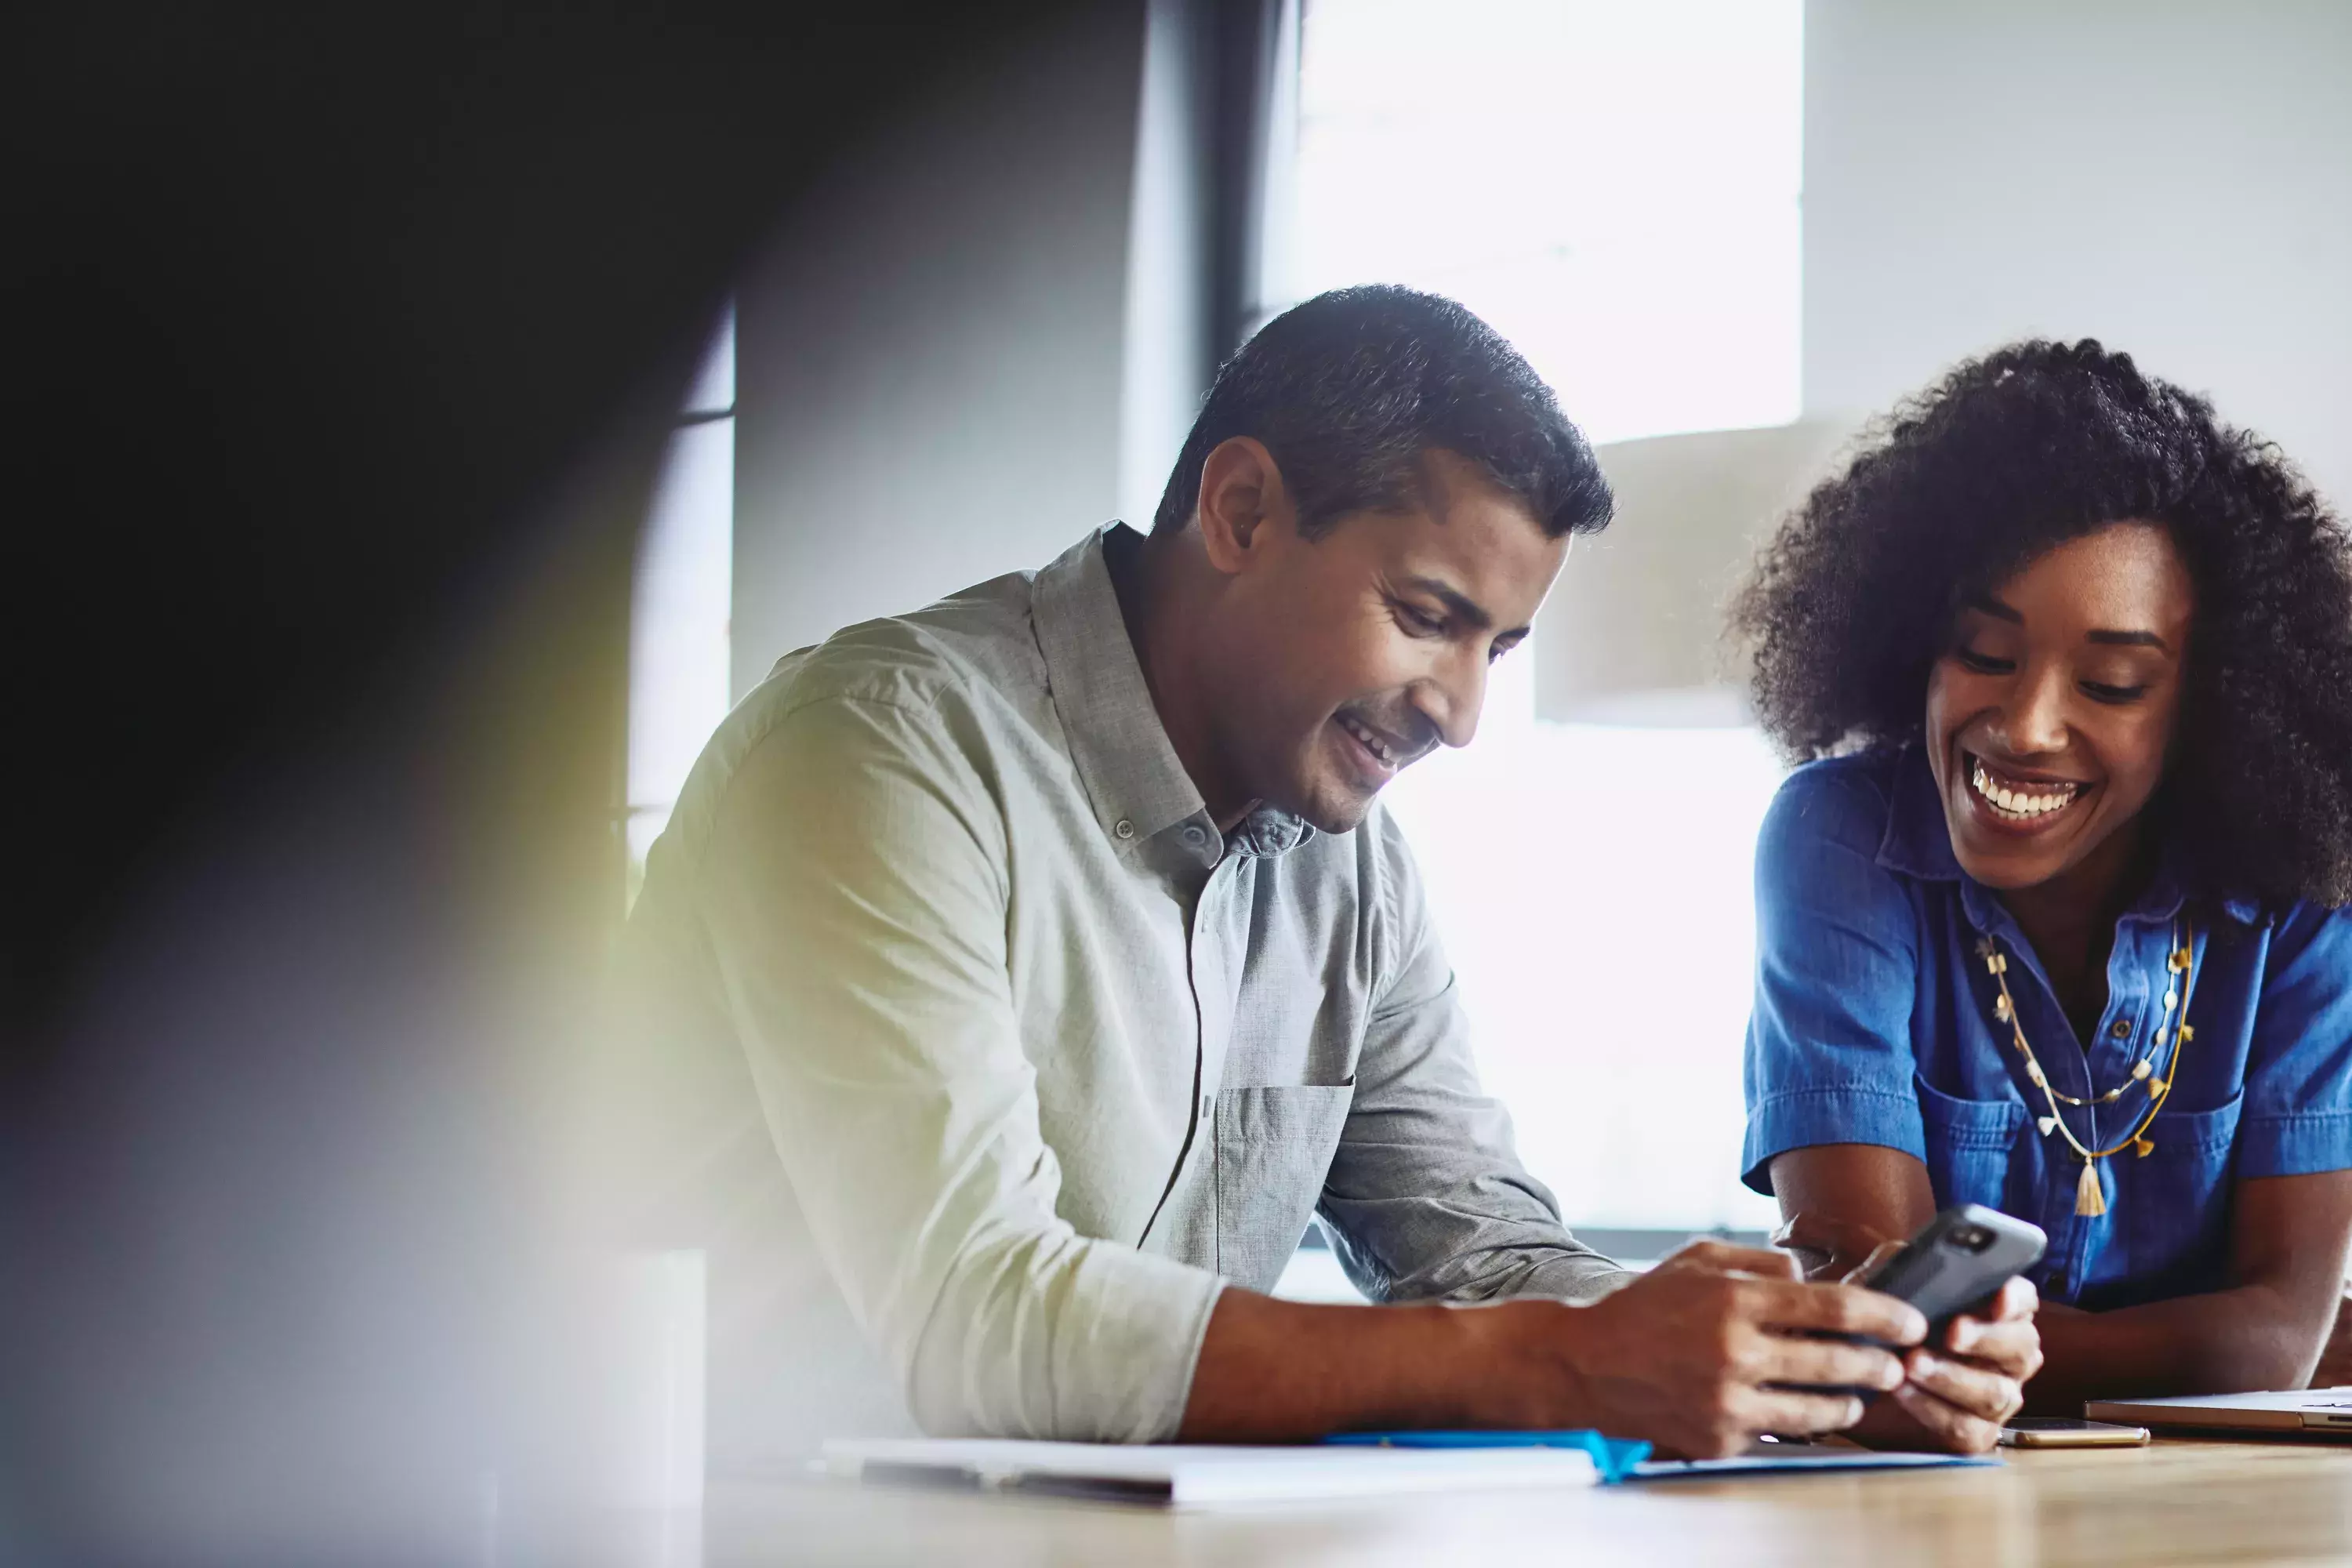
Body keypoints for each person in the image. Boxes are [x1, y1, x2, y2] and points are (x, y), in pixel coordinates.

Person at [604, 285, 2036, 1465]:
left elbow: (1477, 1250)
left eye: (1501, 650)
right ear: (1238, 511)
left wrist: (1812, 1353)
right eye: (1428, 617)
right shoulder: (877, 752)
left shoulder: (1351, 873)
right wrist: (1562, 1363)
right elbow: (977, 1316)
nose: (1462, 713)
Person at [1734, 339, 2352, 1426]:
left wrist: (1980, 1346)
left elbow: (2276, 1340)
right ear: (1918, 645)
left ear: (2205, 706)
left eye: (2112, 683)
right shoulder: (1841, 841)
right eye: (1984, 652)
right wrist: (2192, 1341)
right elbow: (1884, 1331)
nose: (2023, 727)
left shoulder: (2302, 899)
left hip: (2219, 1506)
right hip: (1904, 1500)